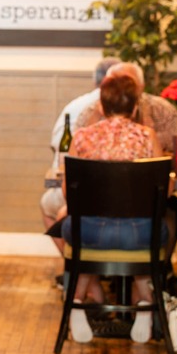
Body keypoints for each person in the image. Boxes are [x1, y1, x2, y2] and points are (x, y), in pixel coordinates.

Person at [59, 73, 168, 345]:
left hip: (90, 233)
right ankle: (145, 302)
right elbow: (162, 193)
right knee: (161, 227)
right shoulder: (147, 136)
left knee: (74, 227)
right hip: (140, 235)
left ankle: (76, 301)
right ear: (134, 108)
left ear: (100, 106)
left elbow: (66, 193)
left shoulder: (82, 137)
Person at [41, 57, 122, 234]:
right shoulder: (146, 135)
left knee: (53, 205)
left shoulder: (79, 128)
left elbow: (58, 147)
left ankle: (75, 259)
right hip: (136, 217)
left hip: (86, 205)